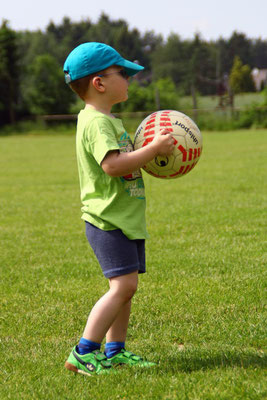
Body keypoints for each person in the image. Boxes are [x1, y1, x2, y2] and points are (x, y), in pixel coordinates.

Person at [63, 42, 174, 376]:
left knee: (127, 290)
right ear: (99, 83)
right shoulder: (96, 123)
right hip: (107, 220)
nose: (128, 79)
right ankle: (85, 351)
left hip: (123, 219)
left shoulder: (107, 120)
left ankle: (115, 351)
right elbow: (112, 165)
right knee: (122, 288)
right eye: (122, 74)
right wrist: (153, 149)